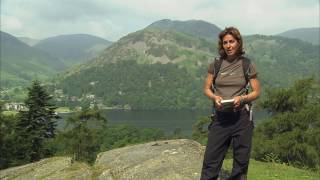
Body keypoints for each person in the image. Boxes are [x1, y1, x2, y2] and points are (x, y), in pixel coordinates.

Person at [200, 27, 261, 180]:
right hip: (220, 118)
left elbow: (256, 92)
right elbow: (206, 88)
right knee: (210, 162)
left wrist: (243, 99)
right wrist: (214, 98)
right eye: (225, 42)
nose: (228, 45)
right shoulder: (216, 65)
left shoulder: (247, 65)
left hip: (242, 119)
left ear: (238, 43)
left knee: (240, 164)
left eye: (231, 42)